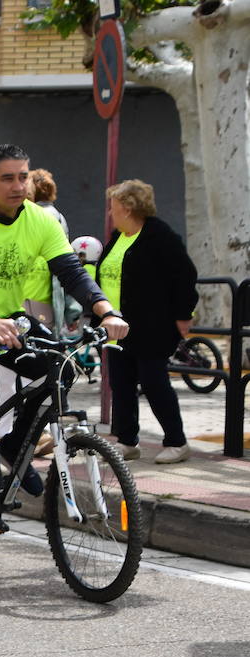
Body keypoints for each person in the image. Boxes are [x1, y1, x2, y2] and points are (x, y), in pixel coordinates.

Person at [0, 144, 127, 532]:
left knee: (59, 371)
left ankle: (16, 444)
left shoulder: (40, 221)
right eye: (7, 178)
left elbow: (71, 272)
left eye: (23, 176)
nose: (18, 186)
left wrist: (106, 310)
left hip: (9, 318)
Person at [97, 179, 198, 465]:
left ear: (128, 208)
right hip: (117, 327)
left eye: (114, 207)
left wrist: (183, 314)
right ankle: (127, 441)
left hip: (151, 326)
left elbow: (184, 276)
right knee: (121, 383)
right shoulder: (119, 237)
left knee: (154, 383)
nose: (110, 213)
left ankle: (177, 442)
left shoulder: (159, 236)